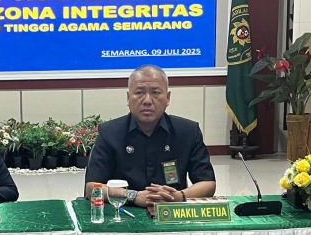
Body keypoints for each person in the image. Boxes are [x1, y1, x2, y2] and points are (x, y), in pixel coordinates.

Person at [84, 65, 216, 210]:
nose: (147, 100)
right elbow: (91, 188)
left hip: (173, 213)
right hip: (124, 212)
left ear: (168, 98)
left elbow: (208, 183)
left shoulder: (188, 132)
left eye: (155, 93)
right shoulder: (109, 133)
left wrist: (178, 196)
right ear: (128, 98)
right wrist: (133, 196)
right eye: (139, 92)